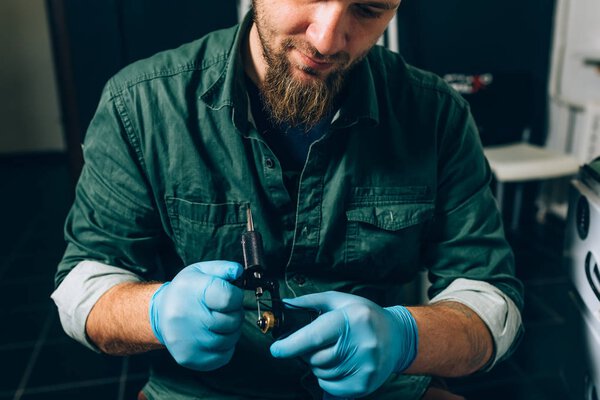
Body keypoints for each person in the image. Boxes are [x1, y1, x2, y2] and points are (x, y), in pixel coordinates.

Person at [51, 1, 523, 399]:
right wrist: (155, 312)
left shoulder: (436, 113)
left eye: (368, 9)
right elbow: (82, 286)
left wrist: (405, 336)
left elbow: (491, 303)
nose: (327, 39)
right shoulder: (140, 105)